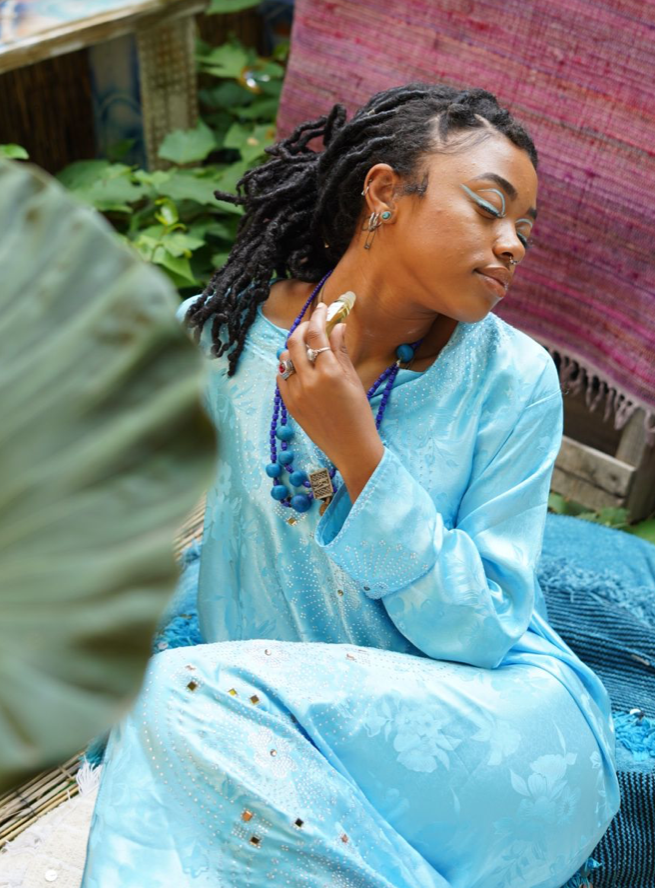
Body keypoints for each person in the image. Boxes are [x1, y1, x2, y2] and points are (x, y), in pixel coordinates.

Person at [81, 83, 620, 888]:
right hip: (267, 724)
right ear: (383, 192)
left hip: (486, 739)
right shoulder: (222, 341)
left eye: (525, 230)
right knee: (164, 730)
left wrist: (361, 456)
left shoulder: (515, 379)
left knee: (171, 698)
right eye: (488, 208)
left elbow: (482, 631)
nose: (511, 245)